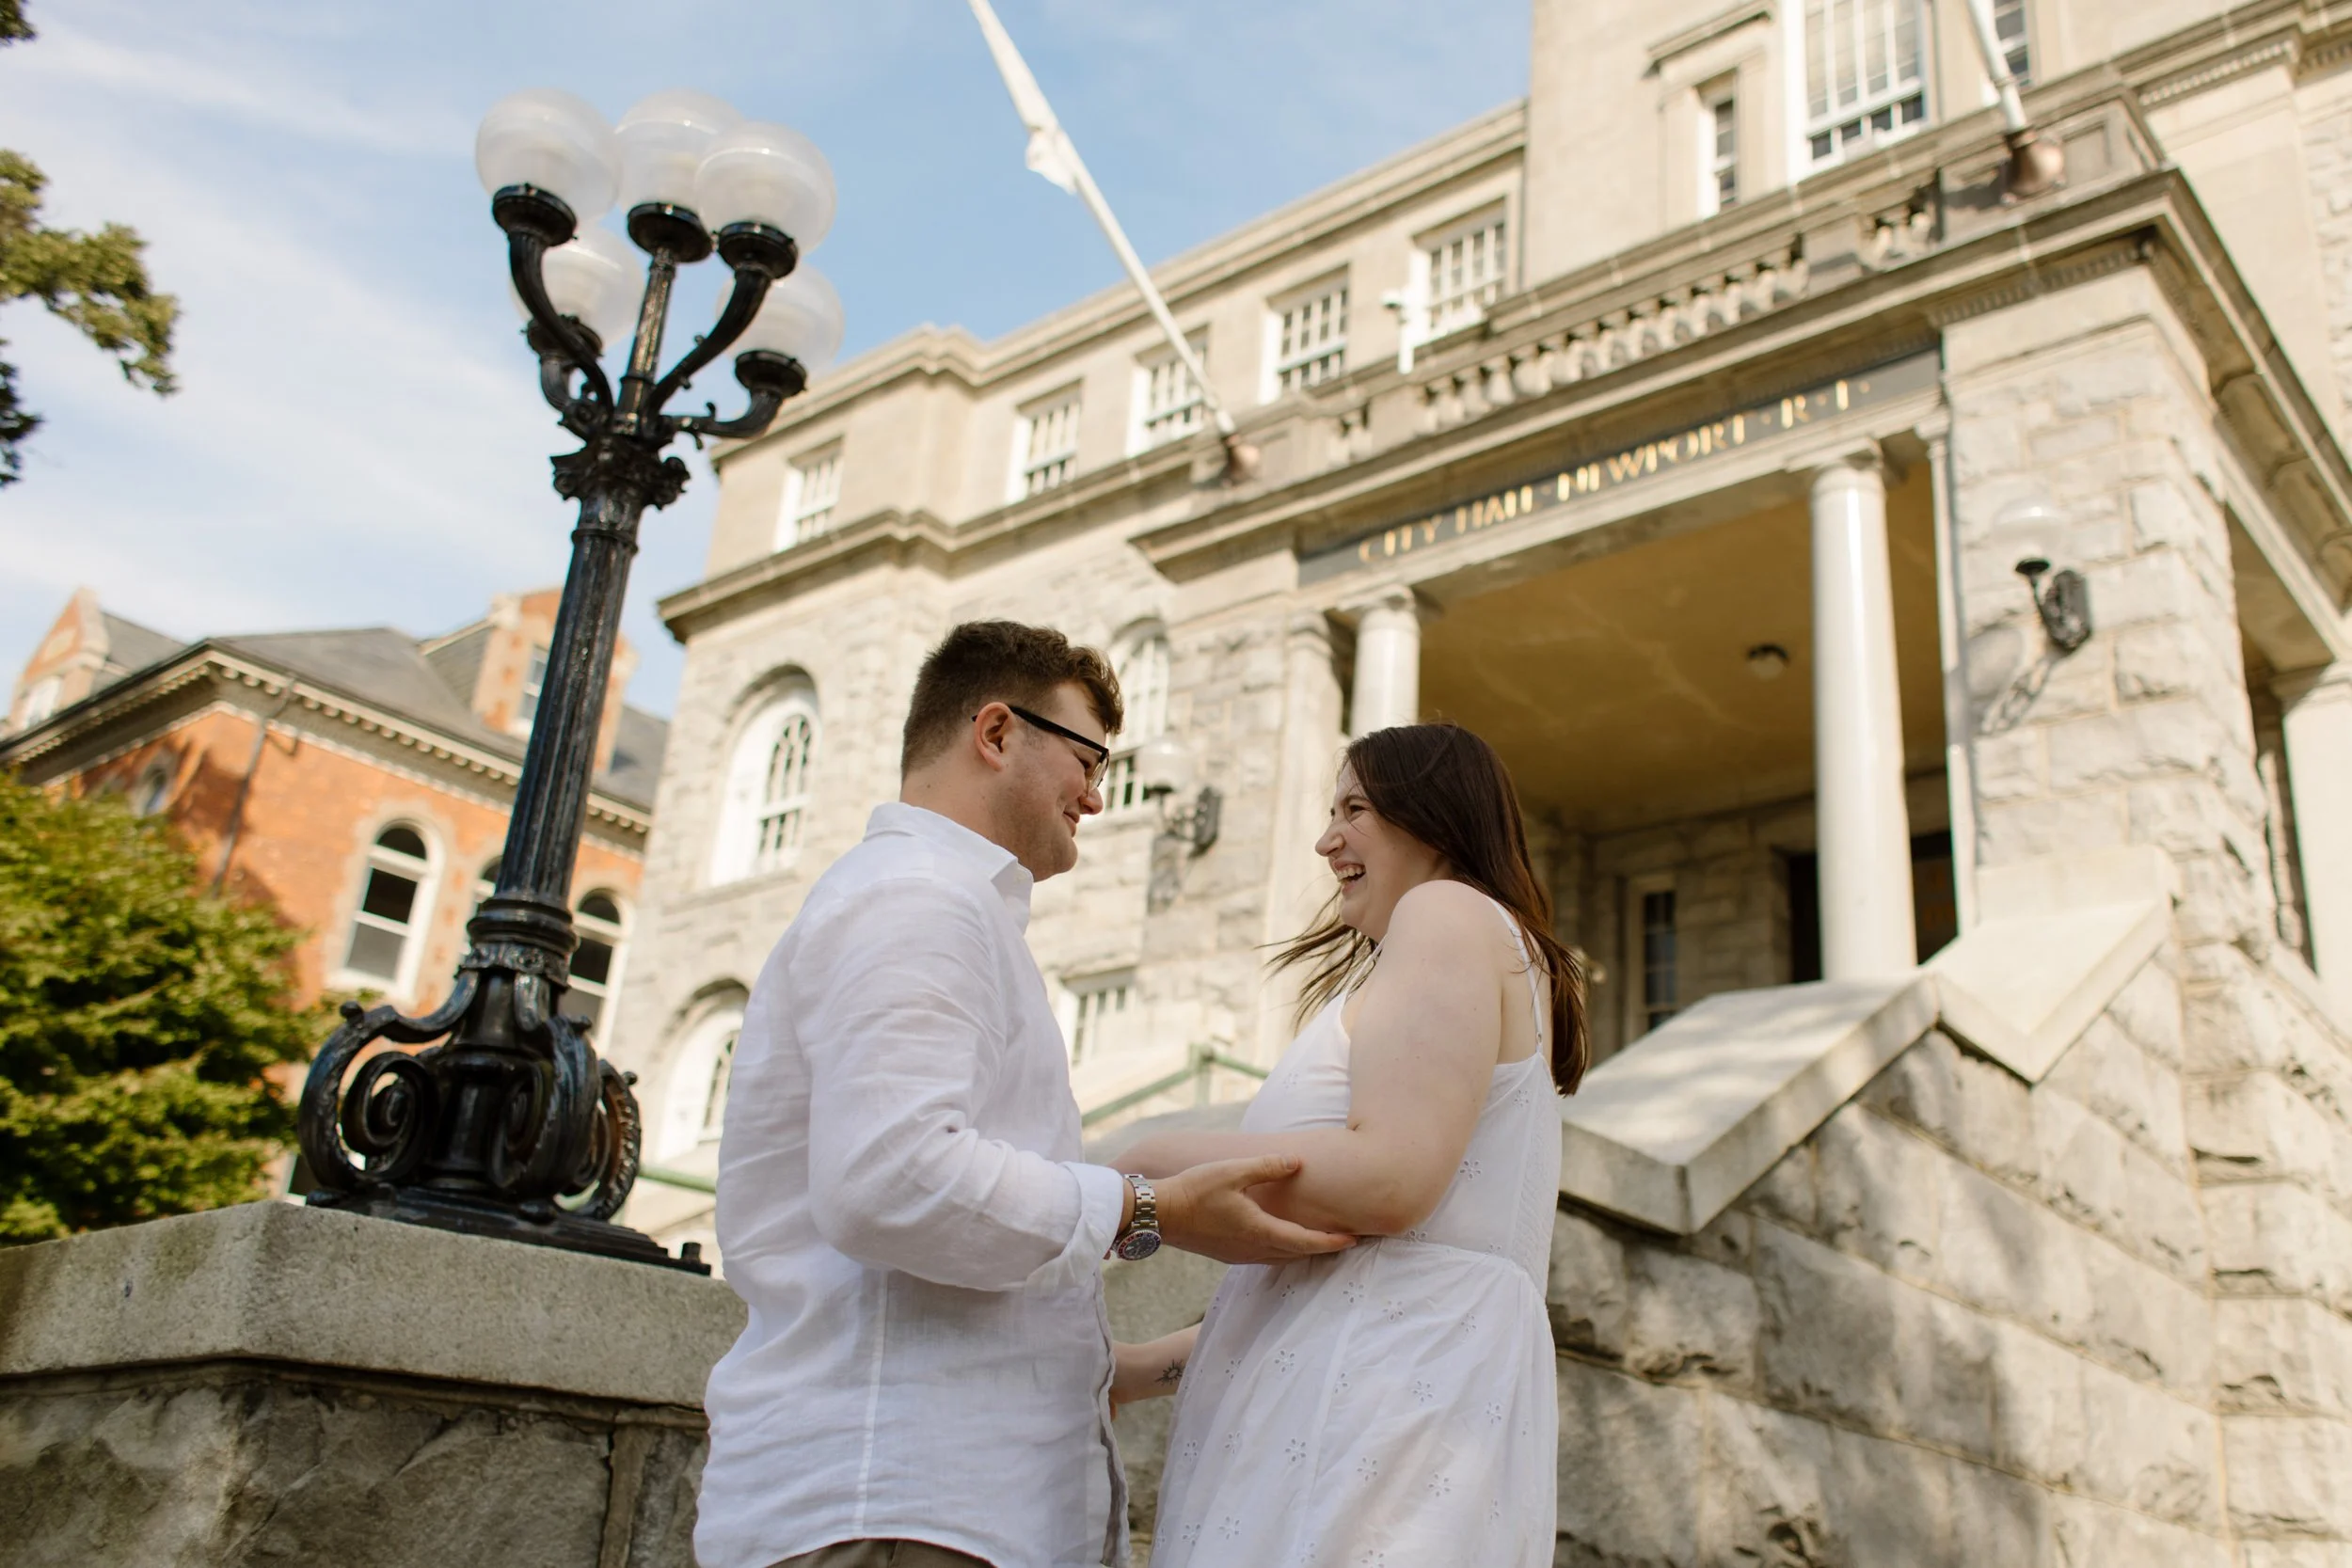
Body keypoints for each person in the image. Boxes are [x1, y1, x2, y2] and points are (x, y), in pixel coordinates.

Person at [693, 620, 1355, 1568]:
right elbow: (892, 1178)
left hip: (932, 1501)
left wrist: (1168, 1359)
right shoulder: (916, 897)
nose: (1096, 791)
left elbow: (943, 1278)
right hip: (894, 1508)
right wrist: (1144, 1209)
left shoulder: (942, 907)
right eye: (1088, 758)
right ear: (996, 733)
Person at [1111, 721, 1587, 1567]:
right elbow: (1356, 1274)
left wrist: (1131, 1172)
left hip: (1376, 1416)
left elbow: (1390, 1180)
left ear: (1433, 819)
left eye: (1356, 809)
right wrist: (1143, 1369)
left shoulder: (1445, 911)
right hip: (1375, 1398)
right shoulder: (1466, 942)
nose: (1326, 839)